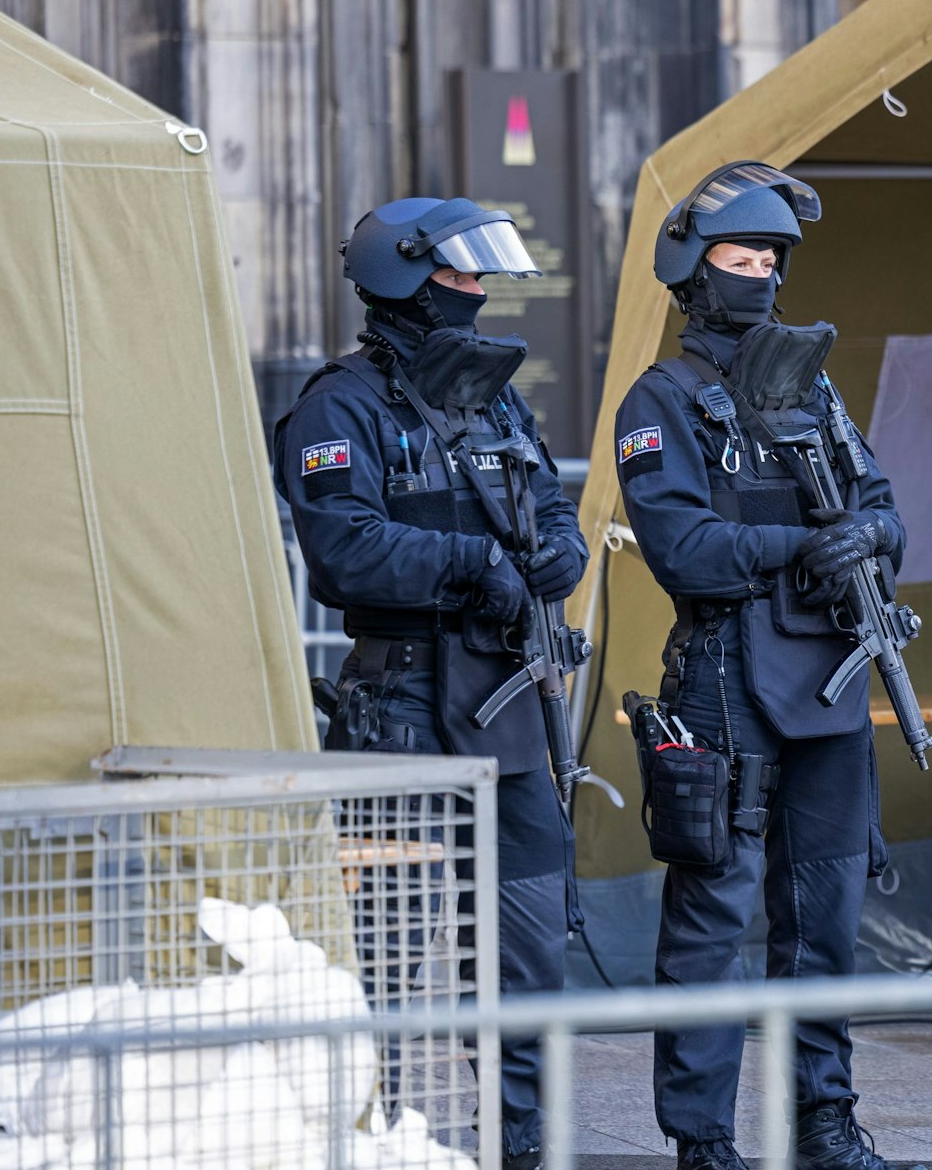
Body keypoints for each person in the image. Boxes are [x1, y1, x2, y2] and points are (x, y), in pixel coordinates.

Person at [273, 197, 589, 1169]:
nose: (477, 292)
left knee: (530, 951)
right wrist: (472, 566)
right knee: (383, 961)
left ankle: (522, 1146)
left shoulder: (490, 397)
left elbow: (553, 515)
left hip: (502, 708)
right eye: (459, 276)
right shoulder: (339, 404)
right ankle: (377, 1142)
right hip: (399, 713)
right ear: (406, 277)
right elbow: (343, 552)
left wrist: (554, 562)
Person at [615, 162, 915, 1170]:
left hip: (828, 677)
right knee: (712, 922)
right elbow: (683, 550)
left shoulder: (812, 391)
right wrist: (802, 548)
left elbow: (884, 509)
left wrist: (866, 541)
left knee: (823, 919)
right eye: (739, 256)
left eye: (770, 258)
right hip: (725, 679)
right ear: (693, 269)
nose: (759, 274)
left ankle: (823, 1123)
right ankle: (702, 1143)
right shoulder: (659, 400)